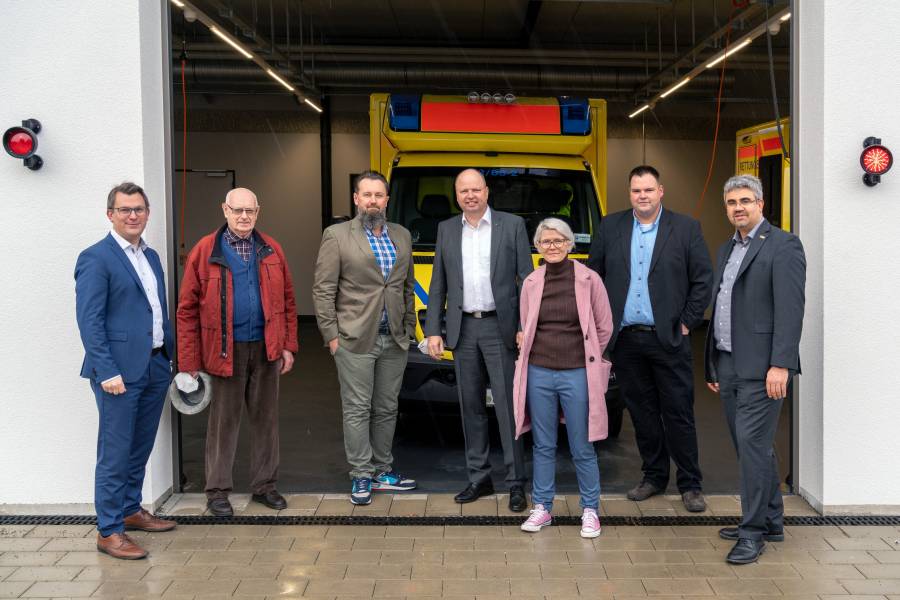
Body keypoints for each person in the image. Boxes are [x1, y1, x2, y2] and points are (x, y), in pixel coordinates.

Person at [587, 165, 712, 512]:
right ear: (629, 193)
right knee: (641, 413)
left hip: (669, 338)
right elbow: (593, 278)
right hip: (626, 340)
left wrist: (687, 321)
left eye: (648, 190)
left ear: (661, 191)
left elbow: (703, 280)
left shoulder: (685, 228)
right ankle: (654, 476)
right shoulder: (610, 226)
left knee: (678, 413)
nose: (642, 196)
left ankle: (690, 483)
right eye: (636, 190)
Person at [176, 187, 298, 517]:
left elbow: (288, 301)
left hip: (265, 347)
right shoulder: (204, 251)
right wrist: (188, 361)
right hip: (223, 350)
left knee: (266, 422)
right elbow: (186, 309)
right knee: (223, 425)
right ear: (224, 210)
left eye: (250, 211)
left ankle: (265, 486)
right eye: (237, 210)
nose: (244, 216)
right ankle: (217, 491)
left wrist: (288, 345)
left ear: (258, 212)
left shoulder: (272, 248)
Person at [705, 175, 805, 565]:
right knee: (752, 447)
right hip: (729, 363)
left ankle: (753, 533)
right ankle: (772, 519)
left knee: (752, 449)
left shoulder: (783, 246)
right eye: (731, 202)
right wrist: (714, 362)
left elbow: (791, 311)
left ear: (761, 204)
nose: (738, 208)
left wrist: (781, 364)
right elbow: (722, 308)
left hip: (764, 367)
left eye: (745, 200)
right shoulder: (726, 248)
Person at [75, 182, 177, 560]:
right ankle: (109, 530)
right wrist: (107, 370)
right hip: (117, 373)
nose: (132, 215)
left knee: (140, 446)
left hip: (153, 365)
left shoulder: (149, 257)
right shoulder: (96, 258)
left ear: (147, 213)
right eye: (124, 210)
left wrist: (168, 357)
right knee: (115, 452)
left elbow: (156, 310)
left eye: (138, 209)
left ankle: (131, 510)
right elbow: (89, 321)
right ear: (110, 215)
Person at [424, 168, 533, 512]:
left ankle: (516, 483)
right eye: (463, 191)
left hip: (500, 328)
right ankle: (479, 477)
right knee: (470, 407)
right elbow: (438, 283)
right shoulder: (446, 229)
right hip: (463, 329)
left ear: (487, 192)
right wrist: (433, 330)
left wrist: (524, 324)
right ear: (456, 195)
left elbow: (526, 280)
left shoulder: (511, 225)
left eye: (476, 189)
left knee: (507, 408)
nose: (470, 196)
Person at [312, 171, 417, 506]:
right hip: (354, 338)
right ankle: (361, 474)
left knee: (387, 408)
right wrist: (331, 336)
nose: (373, 200)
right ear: (356, 199)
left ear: (387, 200)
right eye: (366, 195)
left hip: (394, 338)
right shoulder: (337, 235)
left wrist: (410, 326)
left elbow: (406, 287)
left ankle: (383, 470)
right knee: (357, 409)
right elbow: (323, 289)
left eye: (379, 195)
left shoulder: (401, 235)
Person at [513, 218, 613, 537]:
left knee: (581, 444)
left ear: (570, 244)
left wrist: (588, 356)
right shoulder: (531, 282)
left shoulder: (589, 279)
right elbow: (527, 327)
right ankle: (542, 507)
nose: (552, 247)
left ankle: (590, 510)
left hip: (577, 373)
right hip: (539, 372)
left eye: (558, 241)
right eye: (546, 242)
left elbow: (604, 326)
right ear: (538, 247)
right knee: (543, 444)